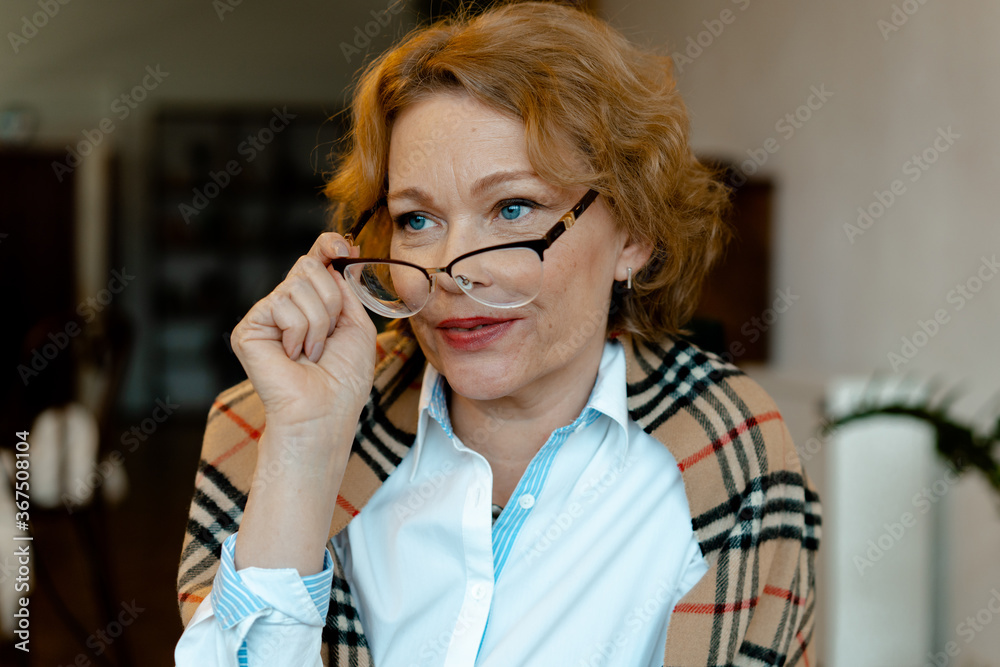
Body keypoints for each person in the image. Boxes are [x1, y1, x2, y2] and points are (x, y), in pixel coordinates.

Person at [174, 1, 821, 665]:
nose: (450, 272)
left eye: (513, 208)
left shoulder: (733, 450)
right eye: (417, 219)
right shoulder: (264, 431)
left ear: (633, 234)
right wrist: (305, 452)